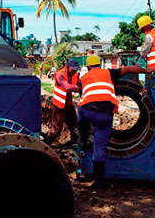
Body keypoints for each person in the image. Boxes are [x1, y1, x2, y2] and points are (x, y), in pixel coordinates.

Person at [77, 54, 149, 188]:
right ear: (100, 64)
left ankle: (83, 145)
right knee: (100, 147)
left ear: (87, 67)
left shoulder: (83, 78)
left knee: (83, 131)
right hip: (104, 114)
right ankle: (99, 180)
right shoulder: (109, 72)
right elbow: (127, 69)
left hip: (85, 112)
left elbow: (83, 95)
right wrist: (145, 71)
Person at [45, 59, 81, 146]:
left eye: (76, 69)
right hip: (59, 105)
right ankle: (46, 144)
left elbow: (80, 84)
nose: (75, 71)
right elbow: (67, 86)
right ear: (68, 67)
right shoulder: (59, 74)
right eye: (73, 69)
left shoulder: (76, 75)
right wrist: (80, 89)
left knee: (73, 125)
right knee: (56, 128)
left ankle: (73, 143)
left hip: (69, 104)